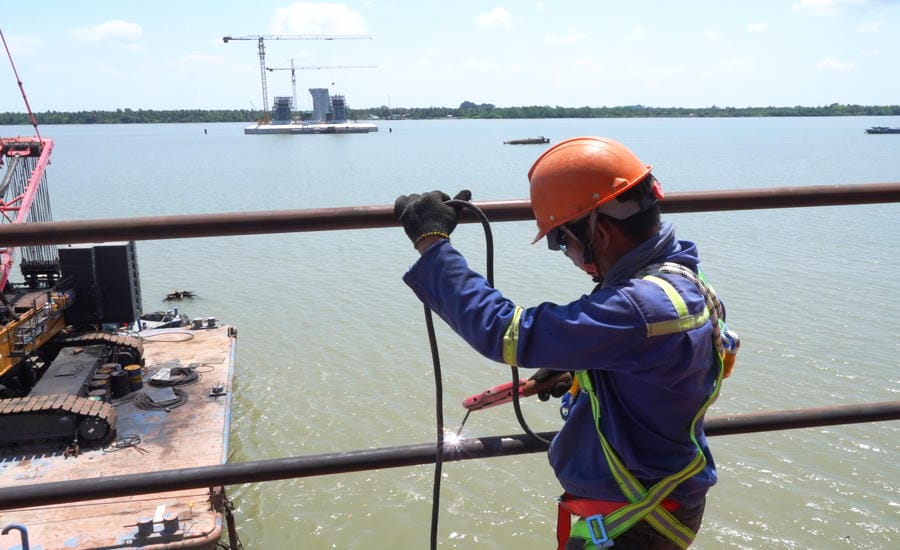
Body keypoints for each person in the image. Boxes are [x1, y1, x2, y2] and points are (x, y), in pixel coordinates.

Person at [394, 136, 732, 549]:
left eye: (560, 240)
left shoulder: (638, 309)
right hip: (659, 501)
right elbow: (665, 364)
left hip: (633, 518)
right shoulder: (682, 281)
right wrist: (582, 366)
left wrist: (433, 243)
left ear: (599, 232)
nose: (565, 253)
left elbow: (505, 332)